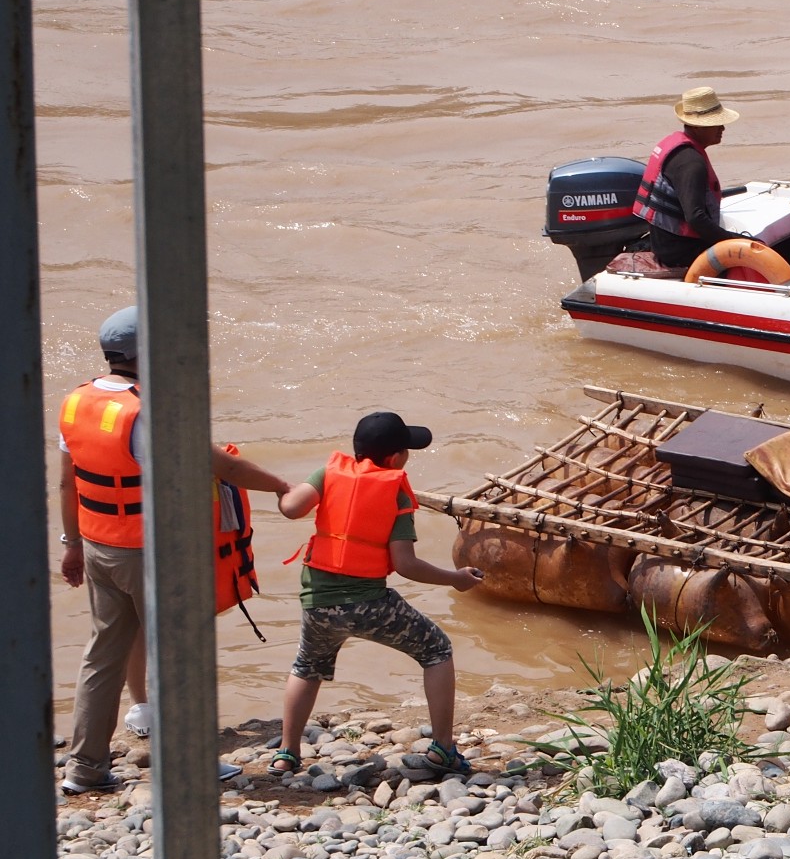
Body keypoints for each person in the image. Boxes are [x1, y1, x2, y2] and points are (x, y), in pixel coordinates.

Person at [57, 306, 294, 793]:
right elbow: (223, 468)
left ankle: (84, 771)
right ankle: (189, 765)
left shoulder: (76, 401)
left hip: (101, 545)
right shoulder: (152, 410)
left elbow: (65, 484)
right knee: (179, 656)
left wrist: (72, 545)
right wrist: (280, 486)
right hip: (153, 556)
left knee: (102, 654)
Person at [272, 412, 483, 776]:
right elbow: (406, 565)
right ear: (394, 459)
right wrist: (454, 578)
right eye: (406, 450)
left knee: (307, 668)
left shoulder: (327, 473)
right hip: (370, 604)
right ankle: (443, 750)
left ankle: (286, 754)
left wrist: (279, 487)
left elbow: (291, 508)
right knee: (437, 649)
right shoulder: (395, 490)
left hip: (318, 602)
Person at [630, 84, 745, 273]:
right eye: (716, 123)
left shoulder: (679, 149)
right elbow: (696, 218)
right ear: (698, 126)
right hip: (679, 251)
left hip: (664, 242)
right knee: (754, 248)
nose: (722, 128)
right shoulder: (691, 163)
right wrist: (734, 241)